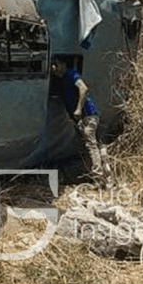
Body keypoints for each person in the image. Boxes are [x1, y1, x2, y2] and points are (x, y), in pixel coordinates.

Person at [52, 58, 116, 188]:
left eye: (56, 64)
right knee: (97, 145)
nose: (54, 68)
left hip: (87, 116)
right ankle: (108, 177)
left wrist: (79, 109)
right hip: (87, 117)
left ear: (64, 64)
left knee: (91, 147)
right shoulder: (64, 79)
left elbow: (83, 88)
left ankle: (99, 179)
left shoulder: (71, 74)